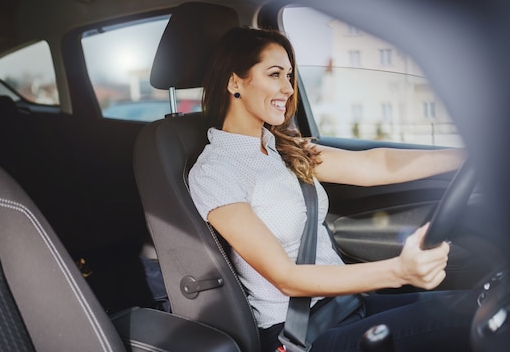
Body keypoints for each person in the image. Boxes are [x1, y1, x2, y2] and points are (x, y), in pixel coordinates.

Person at [188, 26, 479, 352]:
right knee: (479, 322)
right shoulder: (214, 171)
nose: (287, 87)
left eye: (289, 75)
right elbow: (285, 277)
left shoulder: (282, 147)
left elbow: (374, 166)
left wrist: (472, 154)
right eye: (275, 74)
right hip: (301, 333)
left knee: (481, 303)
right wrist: (399, 270)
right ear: (234, 82)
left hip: (347, 306)